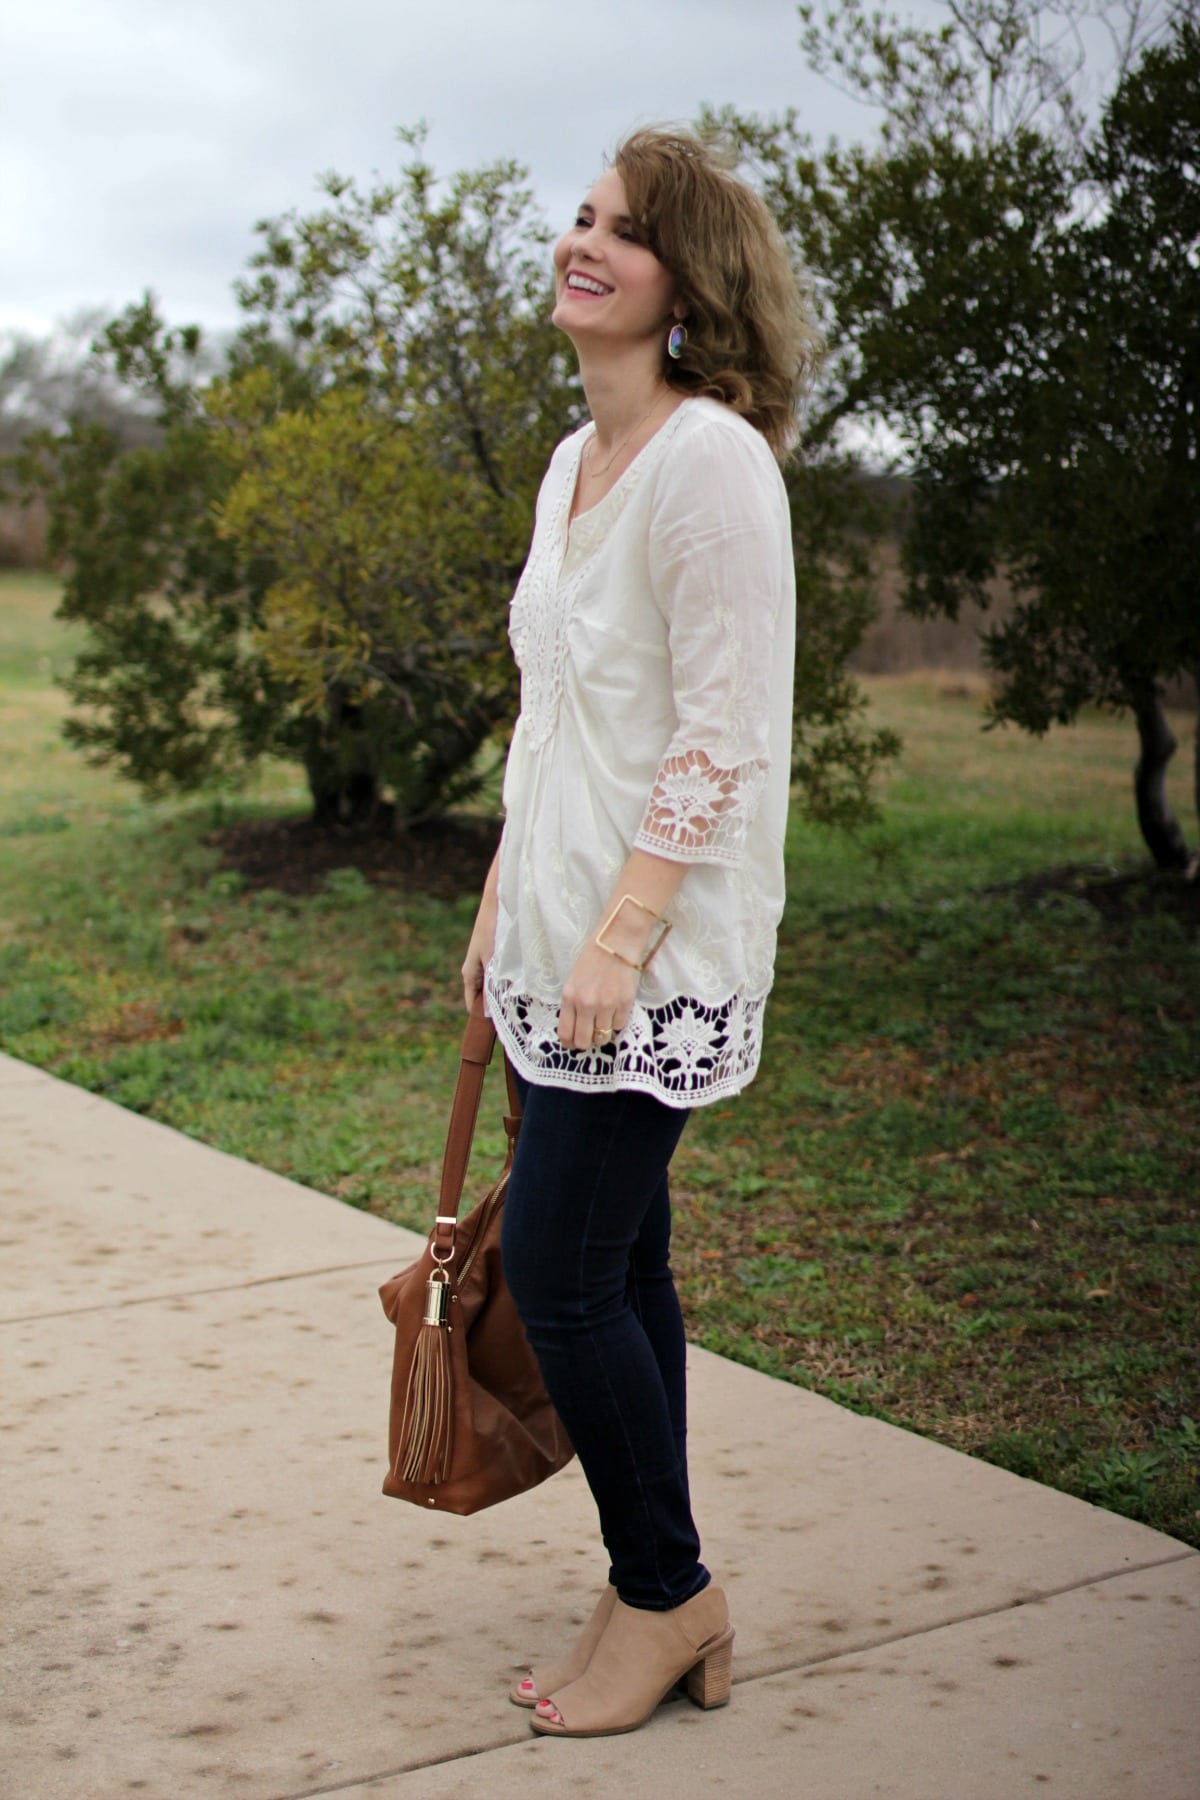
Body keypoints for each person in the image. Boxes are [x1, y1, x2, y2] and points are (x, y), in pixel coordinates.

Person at [460, 124, 820, 1740]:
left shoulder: (710, 464)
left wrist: (620, 937)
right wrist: (500, 914)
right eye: (580, 218)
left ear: (689, 286)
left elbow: (721, 734)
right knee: (624, 1266)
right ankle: (654, 1588)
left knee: (556, 1267)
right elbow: (555, 718)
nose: (582, 243)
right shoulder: (572, 459)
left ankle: (667, 1597)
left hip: (648, 957)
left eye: (625, 231)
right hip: (558, 939)